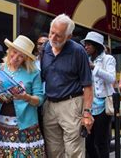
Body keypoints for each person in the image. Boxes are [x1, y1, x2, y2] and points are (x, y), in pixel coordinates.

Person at [40, 14, 94, 157]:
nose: (53, 38)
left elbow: (88, 85)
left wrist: (87, 113)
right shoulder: (45, 48)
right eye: (51, 32)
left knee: (74, 151)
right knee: (53, 151)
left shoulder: (78, 51)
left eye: (58, 35)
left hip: (71, 104)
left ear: (68, 37)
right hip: (50, 104)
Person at [0, 35, 46, 157]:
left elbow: (40, 100)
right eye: (14, 53)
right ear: (9, 51)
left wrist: (26, 97)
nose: (16, 58)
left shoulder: (33, 73)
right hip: (1, 124)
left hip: (25, 126)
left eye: (21, 56)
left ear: (26, 59)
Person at [81, 32, 116, 158]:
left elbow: (111, 78)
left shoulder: (108, 59)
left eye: (89, 45)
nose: (86, 47)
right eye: (85, 45)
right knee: (88, 141)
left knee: (101, 141)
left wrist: (94, 67)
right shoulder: (85, 60)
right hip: (88, 105)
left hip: (103, 105)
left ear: (96, 46)